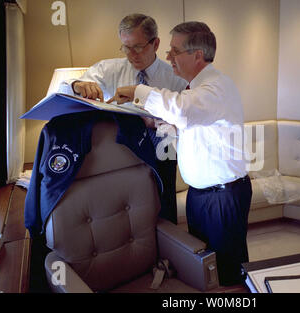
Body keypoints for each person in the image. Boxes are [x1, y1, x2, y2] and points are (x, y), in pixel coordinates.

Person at [108, 21, 252, 286]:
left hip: (222, 197)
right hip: (203, 195)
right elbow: (192, 125)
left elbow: (183, 110)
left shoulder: (215, 87)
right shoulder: (196, 90)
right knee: (204, 267)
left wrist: (136, 91)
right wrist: (161, 124)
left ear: (197, 55)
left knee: (227, 276)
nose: (168, 56)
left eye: (174, 51)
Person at [59, 13, 187, 224]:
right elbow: (64, 90)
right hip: (121, 152)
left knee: (165, 211)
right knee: (129, 215)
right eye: (126, 47)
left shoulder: (176, 77)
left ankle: (168, 253)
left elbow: (186, 120)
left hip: (163, 150)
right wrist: (76, 85)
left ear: (155, 43)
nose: (131, 55)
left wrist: (162, 123)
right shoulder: (107, 69)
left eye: (137, 47)